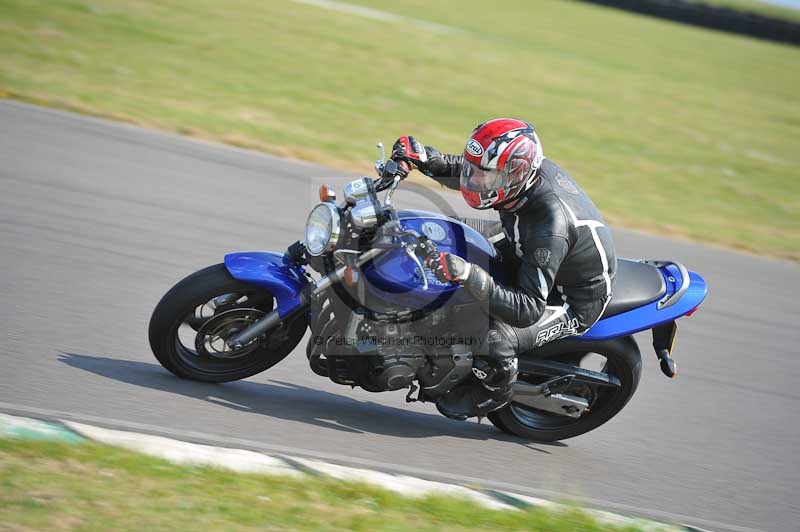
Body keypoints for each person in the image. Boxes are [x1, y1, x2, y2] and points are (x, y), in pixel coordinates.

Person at [390, 118, 617, 420]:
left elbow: (528, 308)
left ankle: (494, 391)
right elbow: (474, 170)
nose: (475, 181)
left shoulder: (549, 224)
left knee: (495, 338)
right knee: (443, 234)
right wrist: (427, 159)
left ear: (517, 174)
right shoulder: (514, 179)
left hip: (571, 299)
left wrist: (469, 274)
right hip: (521, 242)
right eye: (476, 170)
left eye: (486, 176)